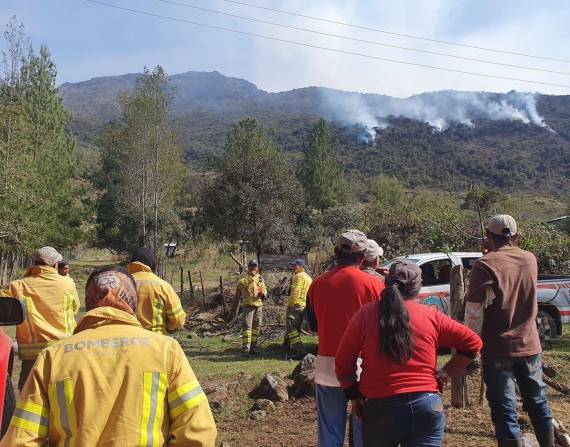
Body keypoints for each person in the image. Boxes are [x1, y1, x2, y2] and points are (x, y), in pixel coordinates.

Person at [0, 265, 217, 446]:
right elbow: (198, 432)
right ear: (132, 305)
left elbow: (20, 441)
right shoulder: (166, 350)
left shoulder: (52, 358)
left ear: (89, 304)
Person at [336, 260, 483, 447]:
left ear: (386, 282)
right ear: (418, 287)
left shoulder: (365, 315)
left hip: (379, 410)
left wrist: (354, 394)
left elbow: (343, 361)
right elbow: (473, 343)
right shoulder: (431, 315)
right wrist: (446, 372)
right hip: (426, 406)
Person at [465, 215, 554, 447]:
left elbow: (474, 312)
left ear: (487, 235)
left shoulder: (484, 265)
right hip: (530, 345)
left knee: (505, 412)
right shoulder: (530, 259)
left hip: (498, 349)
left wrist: (470, 349)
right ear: (516, 235)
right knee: (538, 404)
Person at [306, 229, 384, 447]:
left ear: (335, 253)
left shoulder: (316, 284)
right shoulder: (374, 285)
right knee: (364, 433)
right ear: (362, 257)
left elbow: (313, 326)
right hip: (363, 367)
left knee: (329, 433)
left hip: (327, 366)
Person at [1, 246, 79, 390]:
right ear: (56, 265)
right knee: (65, 401)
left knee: (29, 403)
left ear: (34, 263)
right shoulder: (68, 283)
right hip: (64, 353)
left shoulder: (17, 286)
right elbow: (75, 309)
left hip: (32, 358)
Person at [127, 247, 186, 334]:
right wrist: (169, 327)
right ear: (153, 264)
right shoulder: (162, 286)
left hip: (128, 341)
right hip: (157, 341)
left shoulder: (122, 284)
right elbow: (178, 320)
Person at [233, 259, 267, 355]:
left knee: (256, 327)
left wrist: (263, 293)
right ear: (248, 267)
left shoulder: (260, 278)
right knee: (247, 327)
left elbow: (263, 289)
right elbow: (239, 288)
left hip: (258, 306)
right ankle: (245, 349)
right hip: (248, 306)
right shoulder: (244, 277)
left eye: (255, 266)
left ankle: (253, 347)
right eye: (252, 266)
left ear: (257, 267)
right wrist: (250, 278)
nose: (253, 268)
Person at [283, 258, 312, 356]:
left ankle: (299, 350)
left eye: (295, 265)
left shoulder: (299, 276)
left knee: (291, 329)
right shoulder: (308, 277)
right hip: (303, 306)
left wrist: (290, 304)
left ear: (301, 266)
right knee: (296, 328)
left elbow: (296, 291)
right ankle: (287, 345)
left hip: (295, 305)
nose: (293, 267)